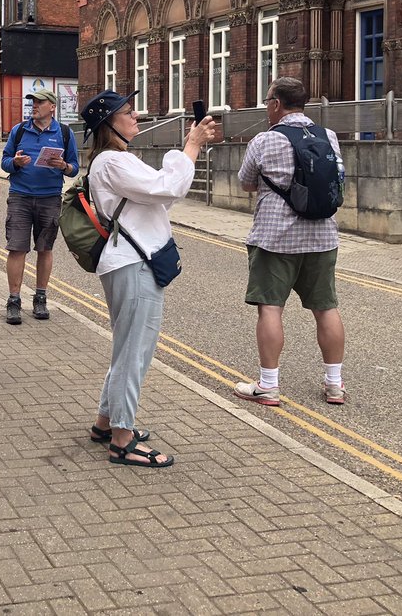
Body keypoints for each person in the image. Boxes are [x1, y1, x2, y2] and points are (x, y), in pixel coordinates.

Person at [81, 89, 217, 467]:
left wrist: (190, 153)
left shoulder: (118, 160)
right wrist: (191, 144)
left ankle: (106, 424)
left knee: (127, 346)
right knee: (135, 351)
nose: (136, 114)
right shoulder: (112, 162)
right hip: (133, 264)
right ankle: (122, 440)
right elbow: (168, 186)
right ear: (110, 123)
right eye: (127, 111)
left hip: (131, 262)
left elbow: (163, 196)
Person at [233, 76, 347, 407]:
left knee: (271, 307)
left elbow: (246, 183)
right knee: (326, 308)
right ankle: (335, 384)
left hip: (275, 238)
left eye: (268, 101)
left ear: (276, 104)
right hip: (322, 236)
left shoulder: (264, 140)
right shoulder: (329, 136)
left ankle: (268, 385)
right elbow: (338, 180)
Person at [0, 89, 79, 325]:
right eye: (32, 102)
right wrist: (14, 162)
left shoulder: (64, 133)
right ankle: (14, 300)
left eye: (39, 102)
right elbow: (4, 162)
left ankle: (40, 298)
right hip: (20, 196)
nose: (34, 106)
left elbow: (75, 167)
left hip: (50, 197)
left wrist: (63, 165)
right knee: (17, 248)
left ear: (52, 107)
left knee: (45, 248)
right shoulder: (19, 130)